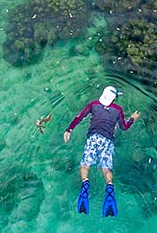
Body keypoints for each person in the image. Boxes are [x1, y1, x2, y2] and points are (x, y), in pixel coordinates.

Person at [63, 86, 140, 217]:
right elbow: (124, 127)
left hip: (93, 138)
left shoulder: (93, 104)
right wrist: (132, 118)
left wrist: (69, 129)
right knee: (106, 169)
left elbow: (80, 117)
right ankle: (109, 187)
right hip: (107, 141)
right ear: (114, 98)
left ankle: (85, 183)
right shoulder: (118, 109)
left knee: (85, 165)